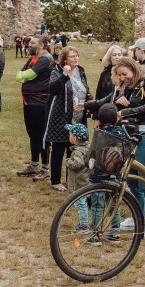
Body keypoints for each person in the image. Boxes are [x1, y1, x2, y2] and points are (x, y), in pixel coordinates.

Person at [86, 56, 145, 236]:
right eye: (119, 75)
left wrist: (126, 111)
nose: (122, 78)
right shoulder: (128, 87)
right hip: (131, 134)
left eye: (124, 74)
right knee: (133, 180)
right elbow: (110, 100)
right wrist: (89, 105)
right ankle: (139, 217)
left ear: (133, 68)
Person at [44, 46, 90, 192]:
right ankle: (55, 180)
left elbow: (85, 88)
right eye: (72, 56)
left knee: (75, 148)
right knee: (59, 147)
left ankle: (71, 180)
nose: (75, 58)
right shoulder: (56, 71)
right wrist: (64, 75)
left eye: (77, 55)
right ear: (64, 59)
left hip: (78, 115)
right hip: (61, 116)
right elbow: (52, 89)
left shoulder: (81, 71)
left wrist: (88, 99)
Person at [16, 36, 54, 178]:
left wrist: (26, 76)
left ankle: (45, 168)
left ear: (42, 45)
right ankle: (34, 165)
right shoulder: (32, 59)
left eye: (32, 43)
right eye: (29, 42)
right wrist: (25, 76)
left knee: (41, 135)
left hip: (40, 103)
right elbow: (19, 75)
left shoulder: (45, 58)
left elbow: (29, 74)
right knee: (32, 134)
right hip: (29, 101)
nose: (29, 44)